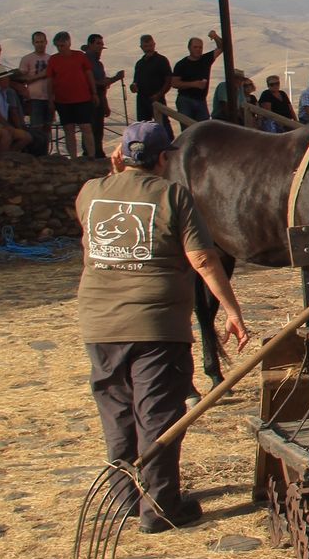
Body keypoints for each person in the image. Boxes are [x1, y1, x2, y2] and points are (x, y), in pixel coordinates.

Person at [77, 121, 250, 533]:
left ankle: (125, 499)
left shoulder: (91, 193)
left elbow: (96, 220)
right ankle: (160, 506)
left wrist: (114, 173)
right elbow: (204, 260)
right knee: (157, 412)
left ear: (121, 154)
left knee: (116, 409)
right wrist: (232, 310)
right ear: (162, 158)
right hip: (157, 324)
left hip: (99, 323)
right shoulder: (173, 195)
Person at [47, 31, 98, 158]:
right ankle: (73, 158)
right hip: (62, 100)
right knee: (68, 130)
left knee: (86, 127)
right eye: (58, 46)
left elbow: (89, 74)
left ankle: (92, 156)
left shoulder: (79, 56)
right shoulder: (53, 59)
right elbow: (50, 80)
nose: (60, 48)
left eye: (62, 45)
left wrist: (94, 93)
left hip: (82, 98)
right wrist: (50, 99)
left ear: (69, 43)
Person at [86, 34, 126, 158]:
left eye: (101, 44)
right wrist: (116, 78)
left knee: (98, 128)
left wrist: (105, 104)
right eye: (98, 44)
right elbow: (94, 82)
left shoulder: (98, 64)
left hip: (99, 98)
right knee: (92, 128)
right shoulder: (87, 61)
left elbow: (102, 85)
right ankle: (91, 153)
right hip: (89, 98)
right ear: (90, 44)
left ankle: (97, 152)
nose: (100, 47)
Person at [171, 30, 223, 122]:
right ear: (189, 48)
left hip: (201, 100)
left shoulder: (206, 59)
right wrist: (194, 84)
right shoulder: (181, 64)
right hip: (185, 100)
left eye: (200, 47)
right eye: (195, 47)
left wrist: (215, 37)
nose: (198, 49)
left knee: (203, 128)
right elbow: (174, 83)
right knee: (187, 127)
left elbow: (222, 47)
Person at [18, 31, 53, 155]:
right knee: (36, 127)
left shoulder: (51, 59)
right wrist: (40, 76)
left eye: (42, 42)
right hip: (34, 97)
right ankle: (35, 153)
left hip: (48, 97)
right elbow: (22, 78)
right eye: (37, 42)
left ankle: (44, 153)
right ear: (33, 43)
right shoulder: (27, 59)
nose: (40, 45)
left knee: (47, 127)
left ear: (46, 42)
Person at [131, 34, 174, 131]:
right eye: (146, 46)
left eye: (150, 46)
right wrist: (133, 86)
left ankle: (169, 144)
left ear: (154, 45)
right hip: (142, 100)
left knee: (163, 124)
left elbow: (168, 80)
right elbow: (135, 82)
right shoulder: (140, 63)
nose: (149, 49)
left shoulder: (161, 60)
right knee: (143, 126)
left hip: (157, 98)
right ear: (141, 47)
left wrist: (159, 94)